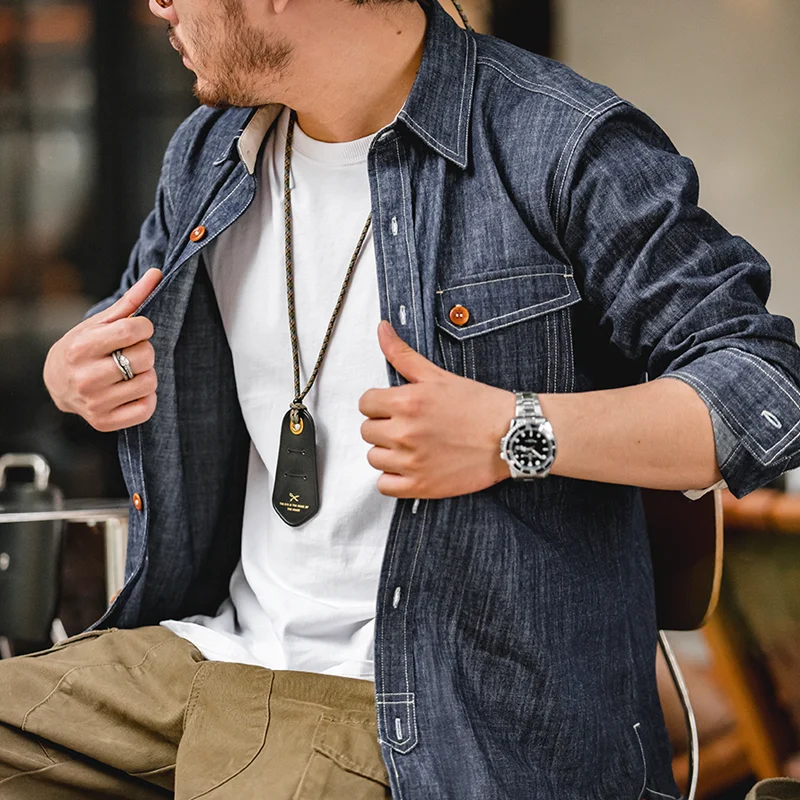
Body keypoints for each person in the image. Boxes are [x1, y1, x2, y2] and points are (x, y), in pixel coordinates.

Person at [2, 0, 799, 797]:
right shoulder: (210, 153)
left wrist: (514, 431)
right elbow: (117, 325)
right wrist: (70, 374)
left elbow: (765, 386)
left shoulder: (560, 144)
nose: (158, 5)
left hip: (436, 721)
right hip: (210, 655)